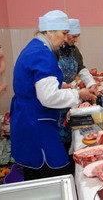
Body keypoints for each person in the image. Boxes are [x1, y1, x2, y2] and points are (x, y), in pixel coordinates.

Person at [10, 10, 97, 181]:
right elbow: (48, 97)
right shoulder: (42, 54)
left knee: (35, 178)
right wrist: (78, 94)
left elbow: (35, 86)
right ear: (50, 31)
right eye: (64, 33)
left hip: (27, 120)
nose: (66, 39)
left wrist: (60, 85)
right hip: (37, 125)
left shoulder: (34, 48)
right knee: (59, 175)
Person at [56, 19, 97, 153]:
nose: (75, 40)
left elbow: (81, 68)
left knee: (70, 133)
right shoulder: (54, 51)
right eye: (73, 37)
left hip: (71, 98)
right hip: (56, 97)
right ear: (65, 34)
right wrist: (62, 85)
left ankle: (69, 159)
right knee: (57, 139)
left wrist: (91, 83)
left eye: (77, 37)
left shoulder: (75, 51)